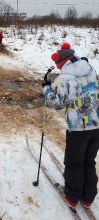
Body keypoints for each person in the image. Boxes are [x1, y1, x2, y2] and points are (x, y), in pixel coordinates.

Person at [43, 42, 99, 209]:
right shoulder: (90, 69)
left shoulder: (64, 78)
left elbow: (56, 103)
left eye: (58, 65)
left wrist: (46, 88)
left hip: (78, 129)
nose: (58, 69)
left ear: (62, 62)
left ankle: (72, 197)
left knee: (74, 162)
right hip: (96, 125)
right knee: (89, 161)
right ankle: (88, 197)